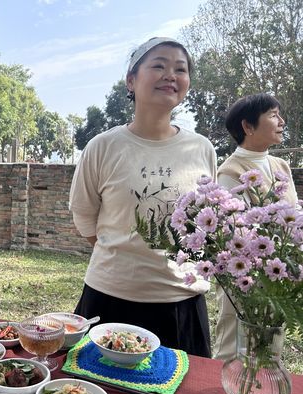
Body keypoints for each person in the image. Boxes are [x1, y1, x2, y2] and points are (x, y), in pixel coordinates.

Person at [69, 37, 217, 357]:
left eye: (181, 69)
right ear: (131, 80)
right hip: (110, 297)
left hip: (182, 304)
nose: (171, 75)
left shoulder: (202, 149)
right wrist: (123, 253)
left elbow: (205, 222)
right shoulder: (103, 146)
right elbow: (83, 214)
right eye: (159, 65)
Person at [213, 93, 299, 361]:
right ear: (248, 127)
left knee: (271, 345)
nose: (282, 120)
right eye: (273, 115)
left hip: (279, 274)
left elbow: (293, 215)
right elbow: (235, 235)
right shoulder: (231, 172)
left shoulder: (280, 164)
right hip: (245, 277)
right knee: (235, 344)